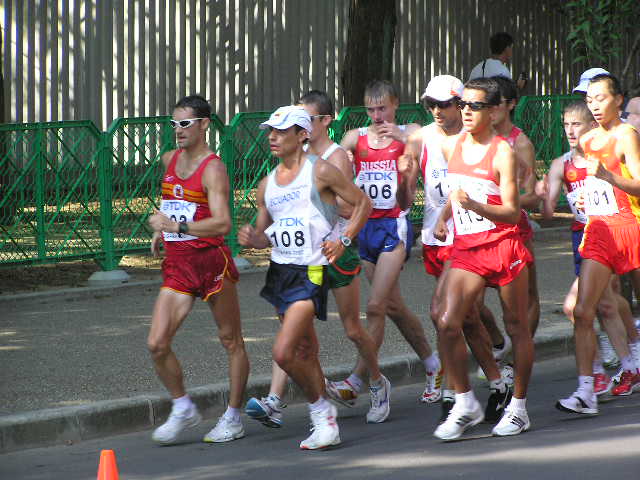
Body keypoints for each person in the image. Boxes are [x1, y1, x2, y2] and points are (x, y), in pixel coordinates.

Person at [244, 91, 386, 426]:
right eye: (270, 131)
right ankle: (306, 406)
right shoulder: (267, 184)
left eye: (281, 131)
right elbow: (266, 234)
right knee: (300, 343)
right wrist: (254, 239)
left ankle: (377, 382)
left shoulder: (329, 164)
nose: (272, 137)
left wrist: (343, 238)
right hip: (290, 268)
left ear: (305, 132)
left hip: (333, 255)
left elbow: (359, 205)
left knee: (352, 329)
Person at [397, 75, 512, 423]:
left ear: (461, 105)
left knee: (444, 313)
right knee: (466, 316)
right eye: (430, 104)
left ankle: (457, 389)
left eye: (445, 104)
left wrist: (453, 216)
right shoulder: (420, 138)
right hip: (436, 237)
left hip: (469, 238)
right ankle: (496, 380)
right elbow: (405, 201)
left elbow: (474, 190)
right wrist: (404, 177)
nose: (437, 111)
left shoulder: (472, 140)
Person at [432, 77, 534, 440]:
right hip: (468, 247)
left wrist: (474, 206)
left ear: (493, 112)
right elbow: (456, 192)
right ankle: (464, 403)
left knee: (516, 327)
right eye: (463, 105)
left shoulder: (503, 152)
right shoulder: (452, 145)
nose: (466, 111)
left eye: (475, 106)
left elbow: (512, 212)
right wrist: (444, 217)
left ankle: (518, 408)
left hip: (503, 244)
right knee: (447, 321)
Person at [147, 95, 250, 445]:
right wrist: (163, 229)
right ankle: (182, 407)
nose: (178, 130)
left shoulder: (213, 168)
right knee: (157, 343)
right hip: (179, 265)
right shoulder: (169, 159)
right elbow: (173, 201)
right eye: (174, 124)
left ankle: (232, 417)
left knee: (231, 340)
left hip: (211, 263)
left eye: (185, 124)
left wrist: (175, 227)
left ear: (204, 125)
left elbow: (222, 223)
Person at [334, 80, 442, 408]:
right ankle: (433, 364)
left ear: (396, 104)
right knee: (393, 307)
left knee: (375, 306)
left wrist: (405, 154)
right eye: (371, 109)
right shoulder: (354, 138)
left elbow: (411, 192)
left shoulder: (411, 133)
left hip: (394, 227)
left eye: (383, 108)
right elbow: (335, 169)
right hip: (364, 228)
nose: (378, 115)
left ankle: (359, 380)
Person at [538, 101, 639, 397]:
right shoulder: (561, 164)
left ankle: (608, 369)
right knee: (607, 302)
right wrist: (541, 197)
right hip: (583, 238)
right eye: (566, 125)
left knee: (581, 306)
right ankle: (625, 363)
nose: (571, 131)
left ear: (592, 127)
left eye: (577, 125)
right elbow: (547, 213)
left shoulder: (609, 153)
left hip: (612, 234)